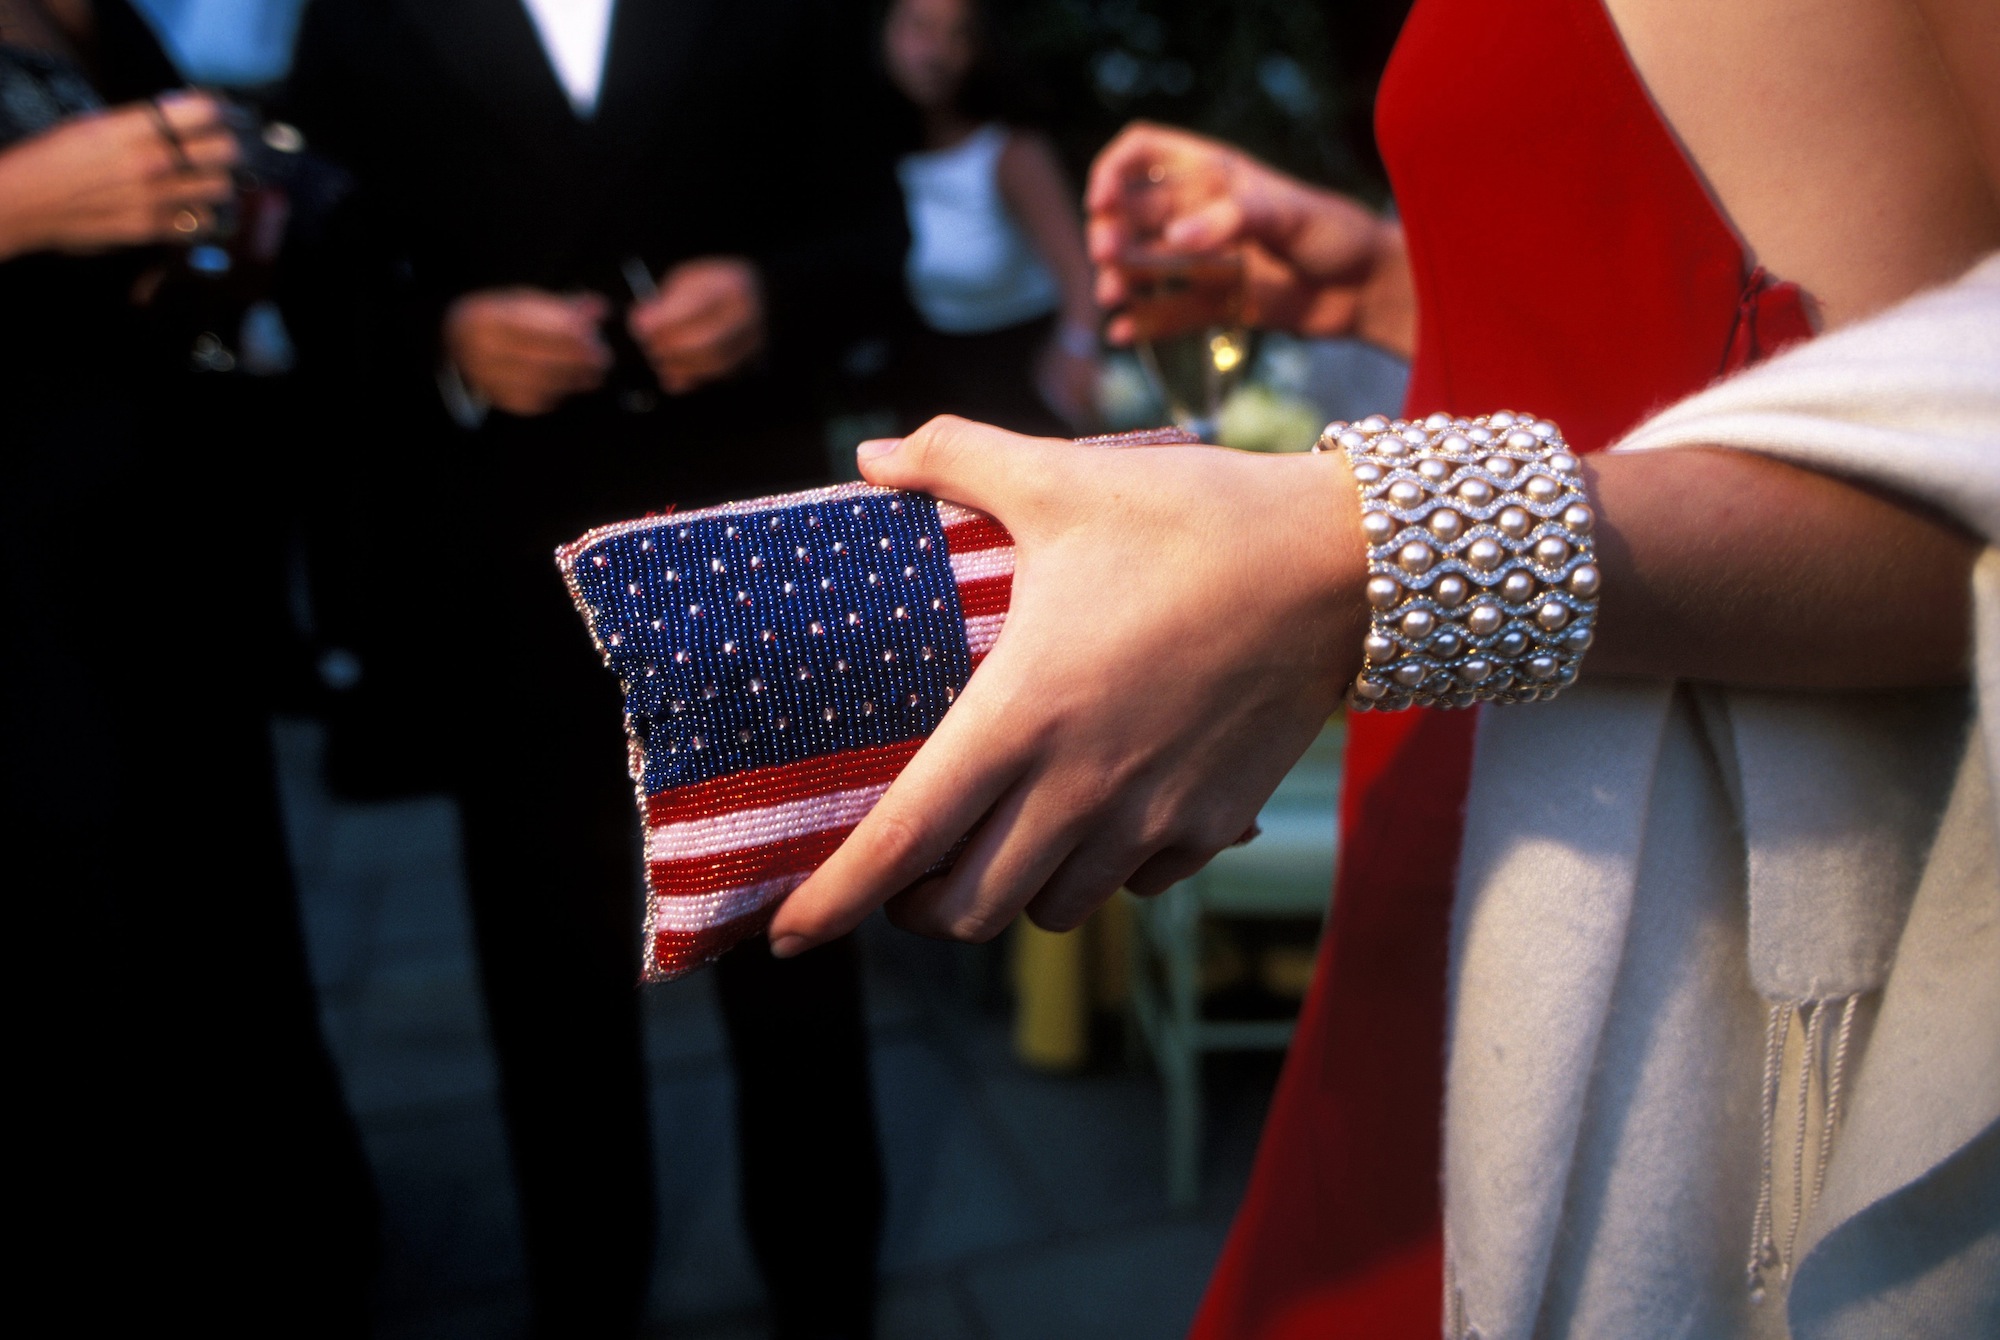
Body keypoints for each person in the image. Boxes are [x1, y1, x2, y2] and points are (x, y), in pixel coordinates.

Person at [760, 0, 1999, 1335]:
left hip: (1674, 891)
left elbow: (1950, 442)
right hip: (1471, 798)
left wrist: (1360, 552)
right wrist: (1386, 283)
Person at [280, 2, 907, 1335]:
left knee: (801, 930)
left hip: (750, 539)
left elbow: (873, 232)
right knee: (544, 962)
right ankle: (585, 1287)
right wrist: (445, 340)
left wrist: (774, 298)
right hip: (508, 559)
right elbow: (319, 265)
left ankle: (827, 1277)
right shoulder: (357, 16)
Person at [1, 0, 377, 1331]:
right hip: (27, 627)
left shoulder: (92, 20)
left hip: (155, 579)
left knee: (220, 943)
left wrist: (213, 239)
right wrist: (20, 205)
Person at [881, 0, 1099, 435]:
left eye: (958, 34)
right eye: (919, 27)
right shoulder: (877, 161)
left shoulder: (1009, 152)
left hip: (1022, 381)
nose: (935, 51)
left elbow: (1081, 272)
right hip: (932, 385)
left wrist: (1077, 352)